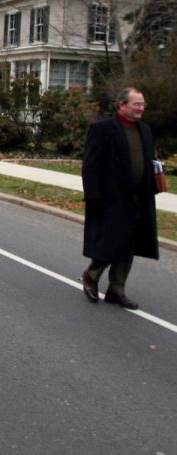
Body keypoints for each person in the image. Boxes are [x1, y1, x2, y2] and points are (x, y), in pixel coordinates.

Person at [80, 87, 159, 310]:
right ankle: (91, 276)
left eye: (143, 104)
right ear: (122, 105)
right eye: (137, 104)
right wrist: (94, 197)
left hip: (138, 197)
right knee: (112, 241)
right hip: (111, 197)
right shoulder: (103, 129)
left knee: (130, 244)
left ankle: (117, 290)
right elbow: (90, 166)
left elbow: (148, 160)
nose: (141, 108)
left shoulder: (145, 130)